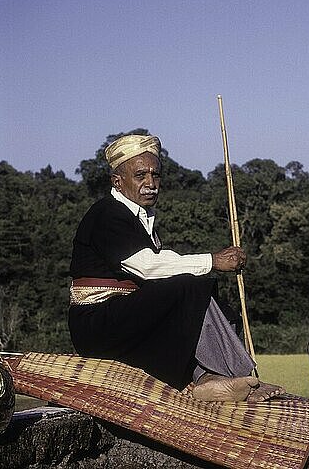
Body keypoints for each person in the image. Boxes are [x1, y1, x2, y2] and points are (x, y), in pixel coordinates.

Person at [68, 134, 284, 402]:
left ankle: (208, 379)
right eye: (140, 176)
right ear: (117, 181)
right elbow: (147, 266)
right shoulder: (107, 214)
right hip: (97, 324)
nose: (150, 183)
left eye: (155, 175)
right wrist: (212, 261)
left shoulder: (141, 221)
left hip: (124, 319)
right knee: (188, 286)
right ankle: (238, 376)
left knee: (219, 308)